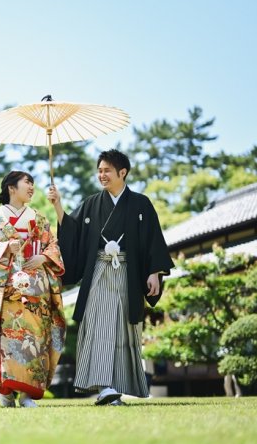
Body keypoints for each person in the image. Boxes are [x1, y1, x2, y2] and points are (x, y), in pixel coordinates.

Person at [47, 149, 174, 405]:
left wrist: (154, 272)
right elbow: (71, 230)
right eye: (100, 170)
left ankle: (116, 387)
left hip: (128, 273)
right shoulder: (93, 202)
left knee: (124, 329)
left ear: (122, 173)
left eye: (107, 170)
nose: (101, 175)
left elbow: (153, 240)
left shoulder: (141, 204)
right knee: (99, 325)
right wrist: (58, 204)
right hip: (99, 272)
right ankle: (106, 387)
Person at [0, 170, 66, 408]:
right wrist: (5, 247)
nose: (32, 187)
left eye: (33, 183)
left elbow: (53, 244)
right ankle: (5, 391)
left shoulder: (39, 217)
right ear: (11, 188)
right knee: (5, 338)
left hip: (35, 288)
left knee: (36, 337)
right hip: (6, 287)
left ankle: (27, 395)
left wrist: (43, 258)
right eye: (27, 183)